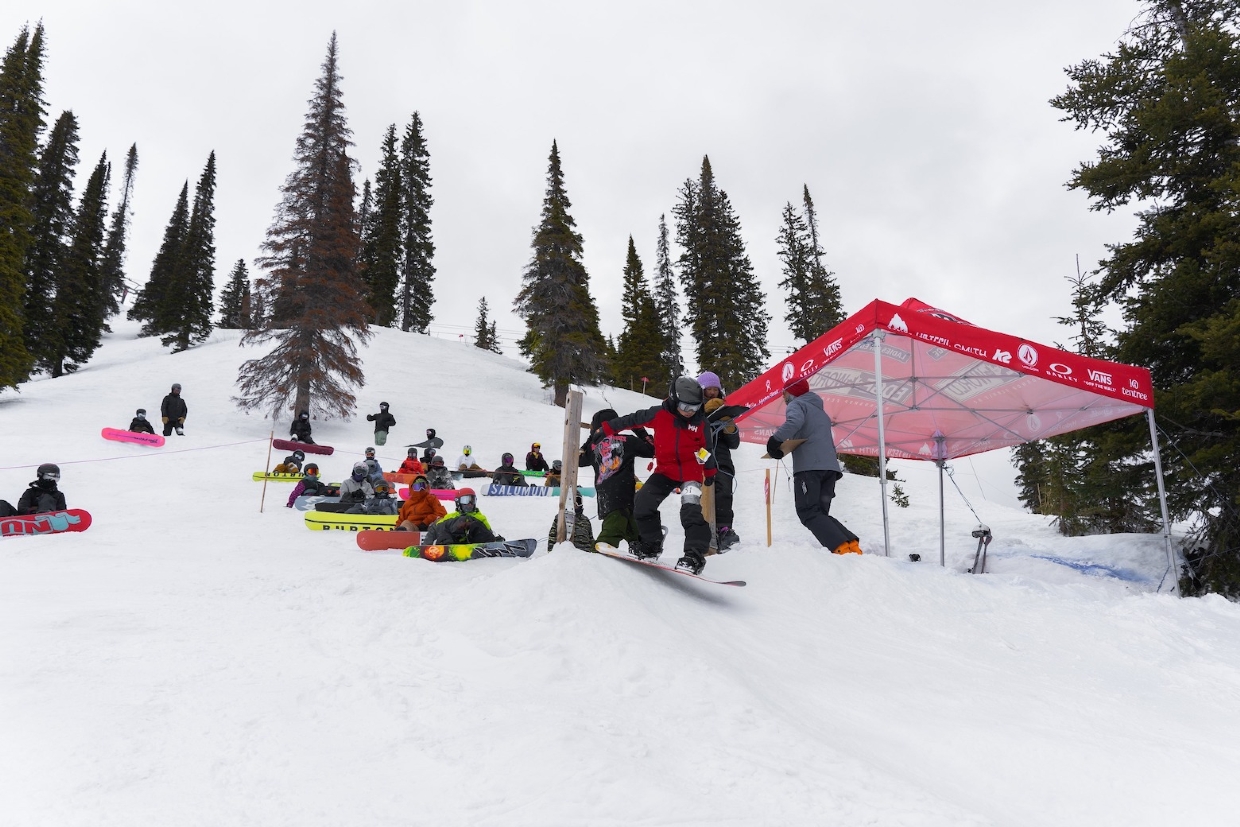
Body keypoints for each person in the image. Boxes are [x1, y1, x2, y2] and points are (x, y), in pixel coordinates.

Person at [600, 377, 716, 574]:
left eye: (695, 407)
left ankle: (694, 556)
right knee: (642, 504)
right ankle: (651, 545)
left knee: (690, 510)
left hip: (690, 472)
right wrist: (607, 428)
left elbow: (708, 449)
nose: (690, 412)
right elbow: (633, 419)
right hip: (665, 472)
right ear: (673, 399)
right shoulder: (659, 414)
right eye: (686, 406)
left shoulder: (701, 424)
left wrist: (710, 471)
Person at [766, 377, 861, 555]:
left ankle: (841, 547)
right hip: (829, 470)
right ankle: (852, 545)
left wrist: (775, 440)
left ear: (792, 392)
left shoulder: (797, 405)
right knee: (819, 514)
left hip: (810, 469)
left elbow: (794, 422)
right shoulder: (820, 411)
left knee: (808, 512)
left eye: (784, 392)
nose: (783, 396)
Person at [580, 407, 654, 553]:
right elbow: (653, 449)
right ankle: (597, 551)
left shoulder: (593, 447)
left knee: (629, 524)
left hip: (605, 495)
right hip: (624, 491)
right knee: (615, 527)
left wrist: (592, 437)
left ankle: (641, 545)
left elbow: (579, 460)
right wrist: (638, 429)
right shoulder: (628, 441)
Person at [699, 371, 742, 551]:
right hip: (699, 458)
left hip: (722, 460)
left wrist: (729, 425)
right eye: (708, 389)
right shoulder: (690, 409)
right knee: (701, 496)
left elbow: (734, 443)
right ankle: (700, 532)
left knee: (724, 492)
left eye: (715, 389)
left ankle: (723, 529)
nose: (712, 393)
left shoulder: (725, 409)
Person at [423, 488, 501, 545]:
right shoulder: (451, 517)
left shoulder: (480, 518)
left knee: (473, 523)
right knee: (443, 525)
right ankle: (446, 546)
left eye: (472, 500)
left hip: (474, 543)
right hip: (453, 543)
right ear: (458, 502)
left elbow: (488, 533)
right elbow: (435, 528)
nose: (469, 504)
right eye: (466, 500)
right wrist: (426, 546)